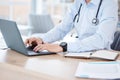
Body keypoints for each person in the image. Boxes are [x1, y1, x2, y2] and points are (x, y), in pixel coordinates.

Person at [25, 0, 118, 53]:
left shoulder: (109, 3)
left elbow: (102, 39)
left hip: (100, 58)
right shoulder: (78, 3)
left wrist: (64, 46)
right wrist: (41, 39)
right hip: (79, 54)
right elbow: (62, 28)